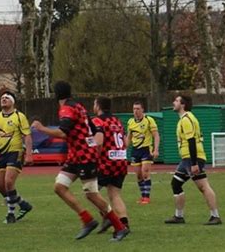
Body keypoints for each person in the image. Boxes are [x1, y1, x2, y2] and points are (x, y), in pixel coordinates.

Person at [31, 81, 129, 242]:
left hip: (84, 157)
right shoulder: (79, 106)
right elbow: (94, 128)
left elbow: (63, 133)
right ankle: (87, 220)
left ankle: (119, 227)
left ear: (56, 94)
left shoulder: (67, 109)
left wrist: (41, 129)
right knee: (59, 187)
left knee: (92, 195)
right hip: (75, 156)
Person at [164, 95, 222, 225]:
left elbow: (191, 141)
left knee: (203, 186)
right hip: (186, 159)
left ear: (183, 104)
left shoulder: (186, 119)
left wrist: (194, 163)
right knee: (176, 184)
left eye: (176, 101)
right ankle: (179, 216)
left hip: (192, 158)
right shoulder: (185, 119)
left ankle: (215, 216)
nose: (173, 102)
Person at [0, 90, 33, 224]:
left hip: (15, 152)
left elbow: (27, 135)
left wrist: (29, 154)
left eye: (7, 97)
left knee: (8, 182)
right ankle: (23, 204)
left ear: (13, 101)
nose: (3, 99)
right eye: (2, 98)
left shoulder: (19, 116)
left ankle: (10, 214)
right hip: (2, 154)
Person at [91, 96, 130, 233]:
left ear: (98, 106)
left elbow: (99, 142)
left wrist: (94, 156)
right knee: (114, 194)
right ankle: (124, 223)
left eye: (94, 104)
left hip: (106, 163)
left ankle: (109, 216)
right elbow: (126, 142)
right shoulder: (117, 121)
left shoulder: (97, 121)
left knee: (91, 192)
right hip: (121, 161)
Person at [125, 101, 160, 204]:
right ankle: (142, 196)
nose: (135, 111)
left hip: (146, 149)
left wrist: (156, 149)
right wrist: (123, 148)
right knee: (139, 175)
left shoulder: (149, 120)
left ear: (142, 110)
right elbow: (129, 138)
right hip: (135, 150)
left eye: (138, 109)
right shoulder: (130, 122)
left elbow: (156, 135)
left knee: (145, 173)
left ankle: (146, 197)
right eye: (134, 109)